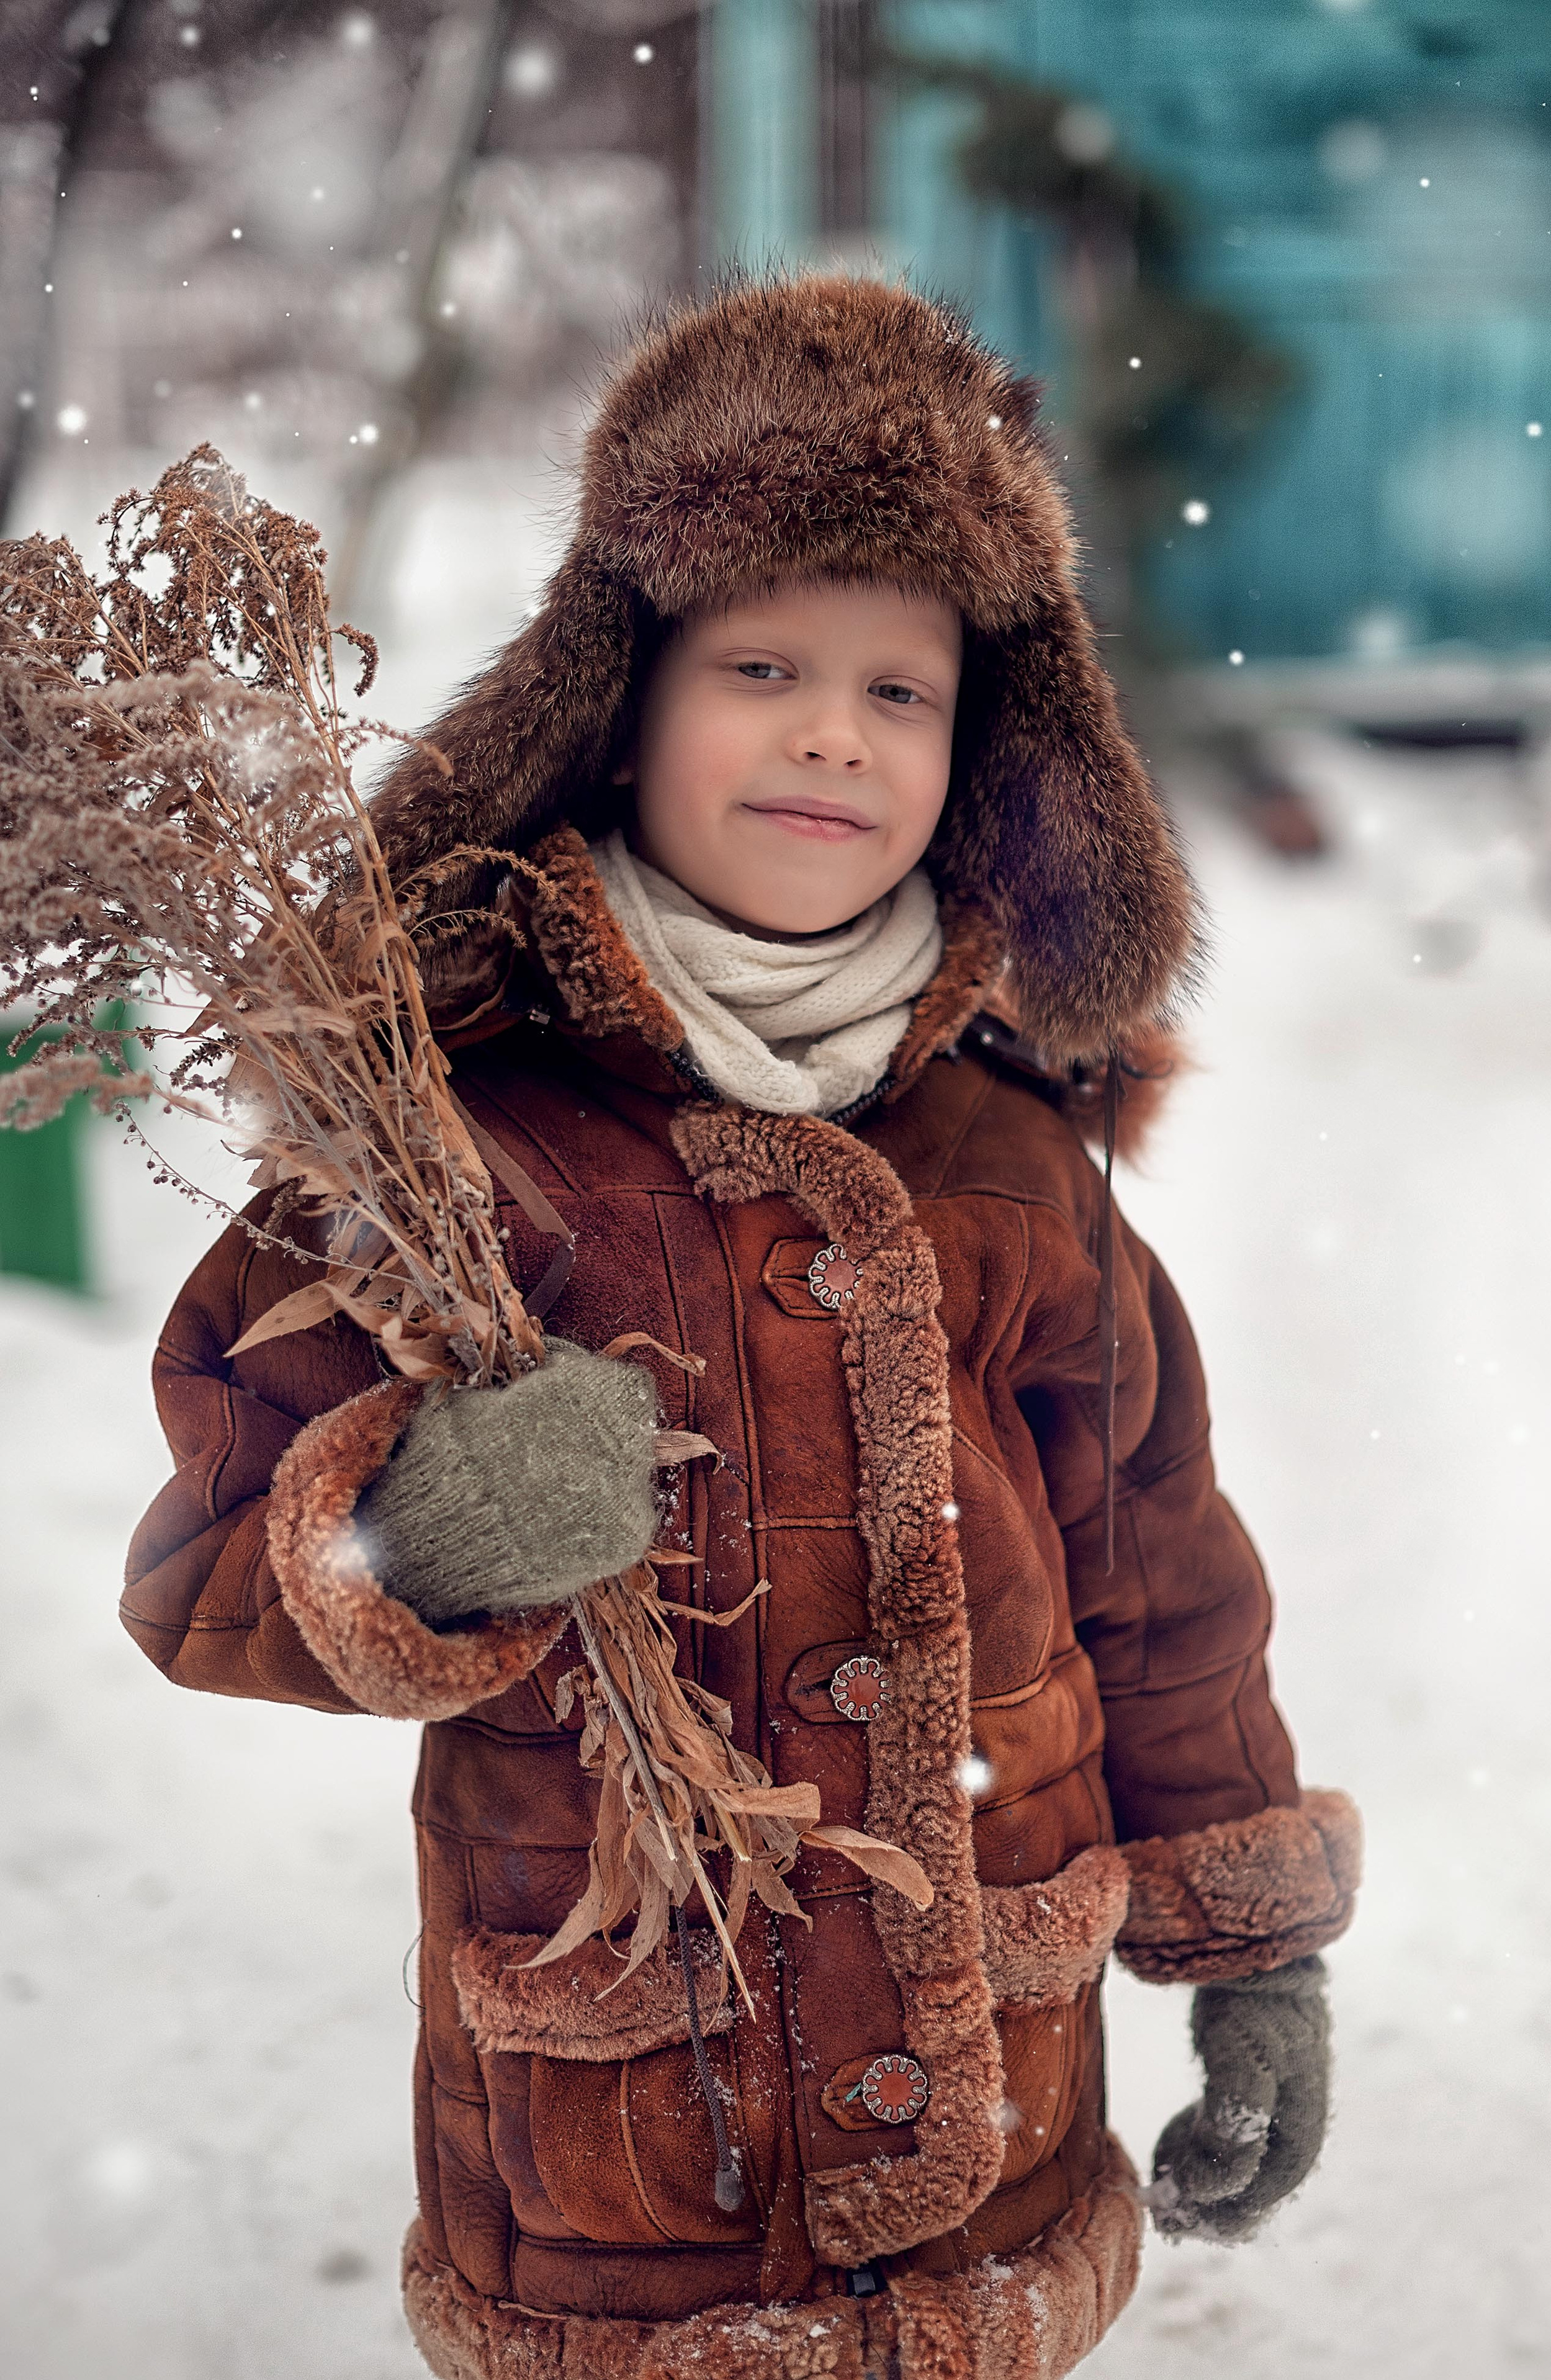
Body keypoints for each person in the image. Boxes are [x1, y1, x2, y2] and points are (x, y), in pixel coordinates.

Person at [123, 274, 1360, 2379]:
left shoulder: (1009, 1144)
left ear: (981, 750)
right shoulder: (447, 1124)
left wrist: (1247, 1941)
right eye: (762, 666)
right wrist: (413, 1539)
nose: (831, 734)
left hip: (998, 2094)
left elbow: (1153, 1556)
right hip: (639, 2138)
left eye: (903, 690)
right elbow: (204, 1562)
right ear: (619, 701)